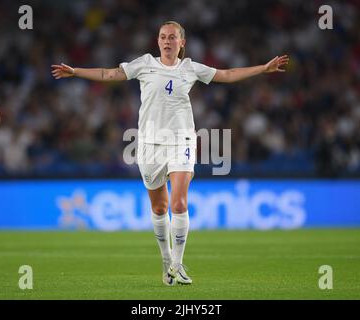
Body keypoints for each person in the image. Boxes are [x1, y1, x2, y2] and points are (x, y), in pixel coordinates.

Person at [52, 21, 289, 286]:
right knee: (159, 207)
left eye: (172, 37)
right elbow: (109, 74)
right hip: (149, 144)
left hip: (182, 141)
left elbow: (227, 74)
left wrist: (262, 69)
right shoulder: (144, 64)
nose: (167, 41)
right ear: (157, 41)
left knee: (178, 204)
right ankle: (166, 262)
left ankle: (177, 264)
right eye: (163, 37)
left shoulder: (189, 68)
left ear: (182, 43)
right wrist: (76, 72)